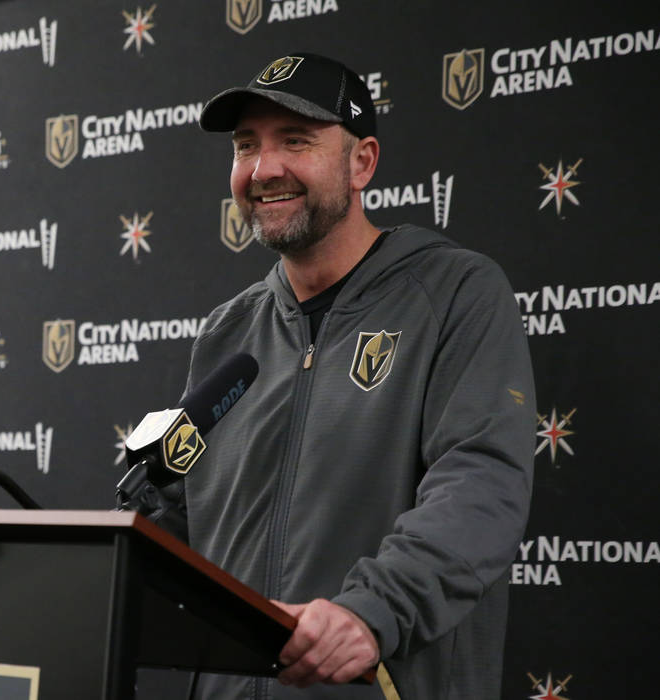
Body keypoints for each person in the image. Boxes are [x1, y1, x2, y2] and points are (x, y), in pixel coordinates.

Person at [179, 53, 536, 698]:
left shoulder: (456, 293)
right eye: (245, 146)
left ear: (362, 162)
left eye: (296, 141)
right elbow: (176, 519)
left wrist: (372, 611)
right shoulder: (226, 335)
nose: (264, 169)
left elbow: (481, 482)